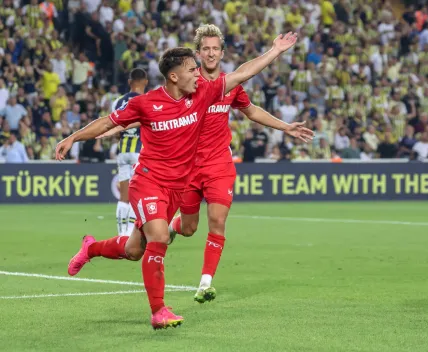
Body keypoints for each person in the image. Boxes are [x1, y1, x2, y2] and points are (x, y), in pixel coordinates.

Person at [55, 32, 302, 330]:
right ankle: (158, 311)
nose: (198, 73)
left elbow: (242, 74)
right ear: (173, 76)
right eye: (191, 69)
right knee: (159, 238)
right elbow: (108, 121)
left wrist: (274, 49)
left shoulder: (203, 95)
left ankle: (90, 248)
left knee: (135, 251)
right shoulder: (146, 103)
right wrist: (73, 137)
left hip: (177, 188)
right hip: (148, 182)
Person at [105, 25, 313, 303]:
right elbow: (150, 109)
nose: (211, 53)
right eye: (206, 49)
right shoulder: (187, 85)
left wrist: (284, 126)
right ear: (199, 53)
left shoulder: (228, 85)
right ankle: (172, 229)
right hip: (187, 169)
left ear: (222, 52)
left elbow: (250, 109)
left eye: (216, 48)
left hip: (218, 165)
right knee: (188, 228)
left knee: (217, 221)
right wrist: (110, 128)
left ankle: (205, 283)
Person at [110, 68, 147, 237]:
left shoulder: (118, 102)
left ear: (129, 82)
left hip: (122, 152)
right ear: (145, 82)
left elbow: (114, 128)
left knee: (123, 196)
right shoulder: (146, 100)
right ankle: (131, 233)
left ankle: (121, 234)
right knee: (137, 195)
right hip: (139, 152)